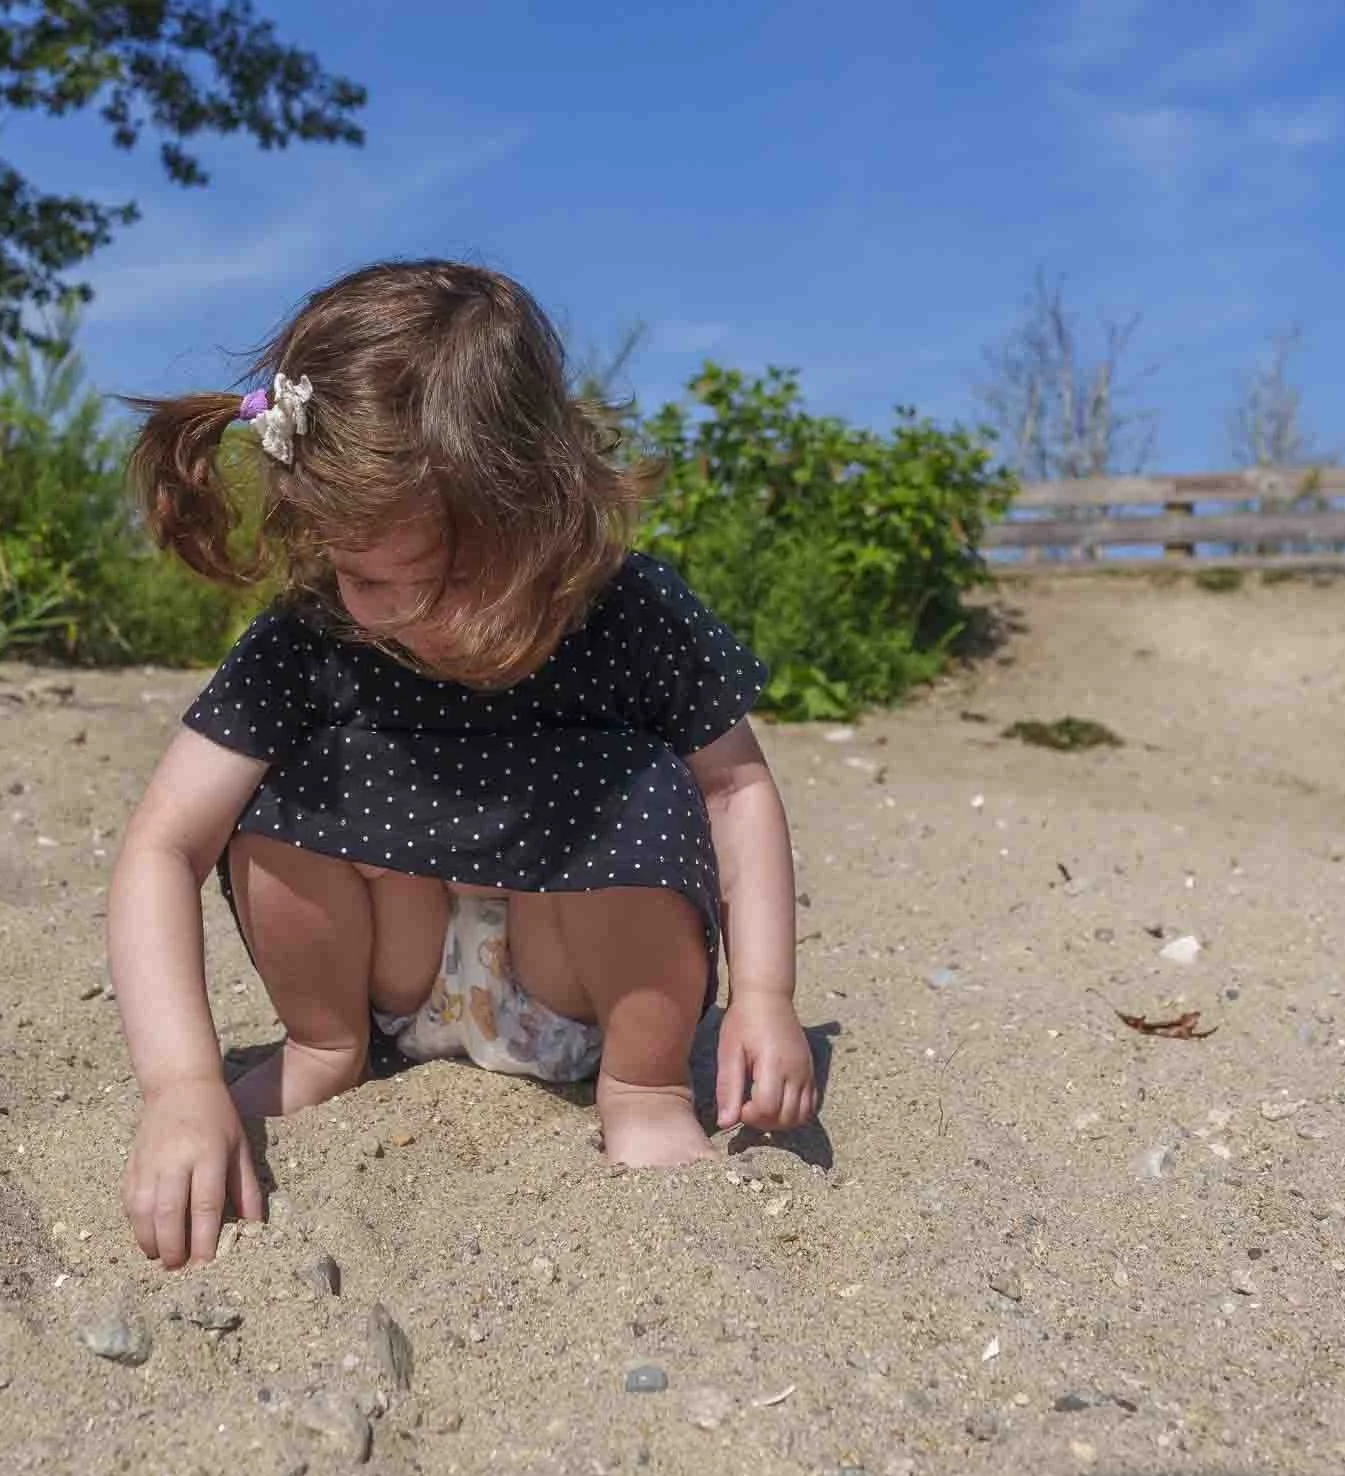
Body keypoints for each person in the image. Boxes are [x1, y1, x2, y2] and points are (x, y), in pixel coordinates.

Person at [108, 258, 817, 1269]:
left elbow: (735, 788)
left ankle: (643, 1089)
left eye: (439, 578)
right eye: (362, 576)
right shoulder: (310, 635)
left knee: (646, 783)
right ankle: (322, 1052)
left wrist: (765, 998)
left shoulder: (626, 611)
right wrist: (179, 1085)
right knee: (270, 790)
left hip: (570, 983)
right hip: (382, 984)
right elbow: (164, 846)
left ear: (540, 509)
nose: (396, 612)